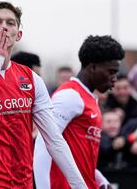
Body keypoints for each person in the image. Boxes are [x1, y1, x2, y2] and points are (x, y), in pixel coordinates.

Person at [0, 1, 86, 188]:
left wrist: (80, 186)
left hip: (23, 184)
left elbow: (54, 140)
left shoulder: (31, 79)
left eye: (10, 23)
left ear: (18, 35)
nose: (4, 27)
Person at [34, 35, 125, 189]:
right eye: (111, 72)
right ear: (93, 67)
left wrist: (100, 180)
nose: (114, 78)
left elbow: (79, 159)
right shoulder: (69, 96)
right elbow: (43, 145)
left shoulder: (90, 99)